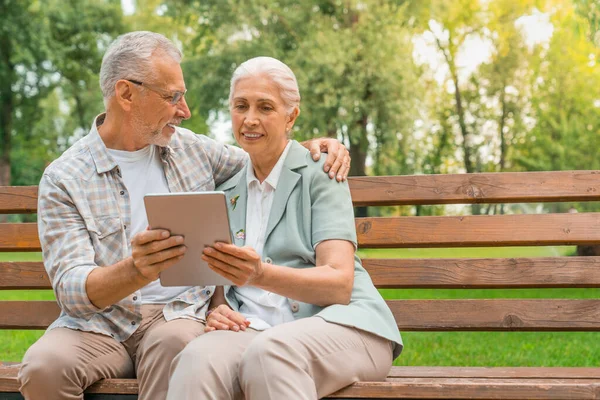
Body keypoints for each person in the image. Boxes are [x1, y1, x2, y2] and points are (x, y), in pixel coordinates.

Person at [17, 32, 350, 400]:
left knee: (177, 348)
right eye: (172, 96)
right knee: (43, 367)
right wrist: (136, 270)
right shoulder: (65, 178)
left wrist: (315, 149)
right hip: (98, 325)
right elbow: (71, 291)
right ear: (126, 94)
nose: (185, 110)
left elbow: (267, 158)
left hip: (176, 315)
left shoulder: (191, 149)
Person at [166, 56, 402, 400]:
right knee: (196, 359)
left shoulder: (322, 173)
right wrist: (218, 309)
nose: (250, 119)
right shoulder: (226, 191)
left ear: (292, 116)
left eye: (265, 108)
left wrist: (259, 274)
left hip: (343, 326)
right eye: (241, 106)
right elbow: (221, 283)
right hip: (256, 329)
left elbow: (338, 284)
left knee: (270, 354)